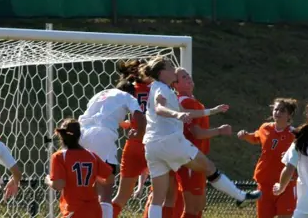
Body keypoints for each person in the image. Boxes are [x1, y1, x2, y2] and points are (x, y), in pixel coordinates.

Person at [141, 56, 261, 218]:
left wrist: (212, 111)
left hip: (152, 146)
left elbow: (183, 112)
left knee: (158, 199)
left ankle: (241, 196)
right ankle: (241, 196)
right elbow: (160, 108)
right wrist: (177, 114)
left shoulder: (158, 87)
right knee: (209, 168)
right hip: (169, 142)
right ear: (163, 73)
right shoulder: (162, 89)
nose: (174, 70)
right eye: (171, 67)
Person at [78, 78, 147, 218]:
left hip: (81, 135)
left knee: (86, 185)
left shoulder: (100, 94)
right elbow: (140, 118)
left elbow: (105, 115)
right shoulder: (128, 96)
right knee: (106, 188)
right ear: (132, 93)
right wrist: (139, 132)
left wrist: (125, 124)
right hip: (101, 136)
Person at [172, 67, 233, 218]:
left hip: (194, 157)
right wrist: (219, 130)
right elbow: (197, 133)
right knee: (192, 207)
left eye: (188, 75)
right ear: (175, 85)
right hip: (191, 158)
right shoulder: (186, 102)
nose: (188, 78)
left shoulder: (190, 102)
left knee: (198, 206)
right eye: (183, 77)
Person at [237, 98, 299, 218]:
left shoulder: (295, 134)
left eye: (282, 110)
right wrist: (246, 136)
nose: (277, 112)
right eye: (276, 109)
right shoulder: (265, 128)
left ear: (289, 115)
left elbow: (304, 155)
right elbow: (256, 137)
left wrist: (290, 156)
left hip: (286, 184)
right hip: (264, 182)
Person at [45, 119, 115, 218]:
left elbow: (59, 185)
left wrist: (48, 180)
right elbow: (110, 178)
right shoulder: (92, 156)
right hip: (94, 210)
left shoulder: (59, 156)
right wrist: (94, 179)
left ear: (61, 136)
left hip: (74, 210)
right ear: (79, 135)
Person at [111, 60, 154, 218]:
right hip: (153, 143)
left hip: (133, 144)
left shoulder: (129, 89)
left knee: (121, 196)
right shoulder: (157, 89)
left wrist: (130, 124)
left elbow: (119, 117)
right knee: (160, 195)